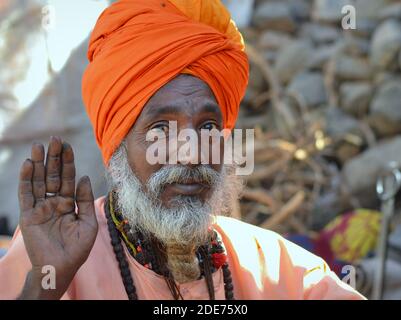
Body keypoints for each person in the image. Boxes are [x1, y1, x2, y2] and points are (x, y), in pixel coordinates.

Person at [0, 0, 365, 300]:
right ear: (118, 148)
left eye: (208, 127)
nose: (191, 154)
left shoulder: (275, 268)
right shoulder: (52, 257)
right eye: (161, 129)